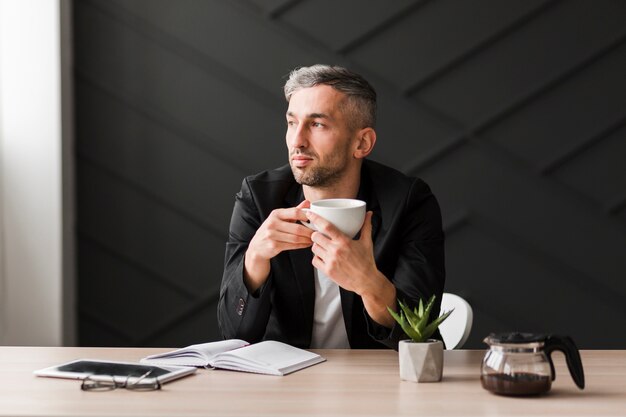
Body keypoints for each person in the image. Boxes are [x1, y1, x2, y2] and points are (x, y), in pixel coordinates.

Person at [218, 64, 445, 350]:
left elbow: (420, 335)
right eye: (291, 123)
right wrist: (254, 260)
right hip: (285, 383)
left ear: (362, 142)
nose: (297, 141)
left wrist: (368, 283)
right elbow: (232, 336)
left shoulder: (409, 202)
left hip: (378, 385)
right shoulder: (259, 199)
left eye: (317, 124)